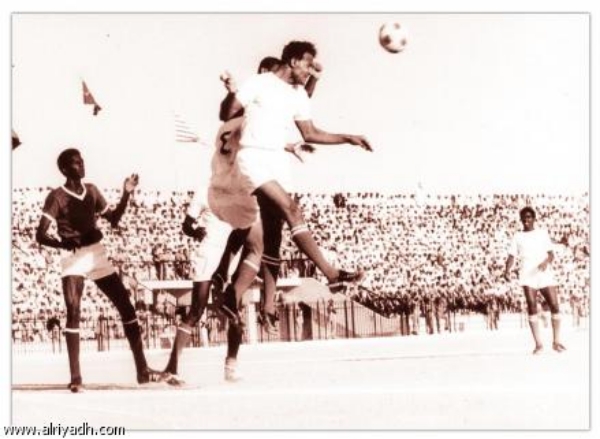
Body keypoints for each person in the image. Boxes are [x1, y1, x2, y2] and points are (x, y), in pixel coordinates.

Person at [220, 40, 372, 309]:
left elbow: (310, 133)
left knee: (272, 239)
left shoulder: (298, 94)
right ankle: (332, 274)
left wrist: (348, 138)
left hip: (277, 161)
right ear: (293, 61)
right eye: (308, 64)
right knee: (292, 210)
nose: (311, 70)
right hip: (253, 156)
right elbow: (227, 113)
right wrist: (235, 93)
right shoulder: (260, 83)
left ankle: (250, 304)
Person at [35, 148, 166, 392]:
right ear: (64, 169)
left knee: (126, 307)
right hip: (73, 257)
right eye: (76, 163)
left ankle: (142, 369)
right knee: (73, 311)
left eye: (82, 161)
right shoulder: (56, 197)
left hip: (96, 253)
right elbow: (40, 235)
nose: (82, 165)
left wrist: (126, 193)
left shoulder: (92, 190)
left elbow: (114, 219)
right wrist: (62, 243)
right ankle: (76, 378)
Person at [214, 55, 319, 336]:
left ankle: (248, 298)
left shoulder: (262, 107)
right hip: (240, 177)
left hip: (239, 176)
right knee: (259, 239)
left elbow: (297, 99)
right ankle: (238, 288)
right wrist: (232, 90)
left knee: (265, 242)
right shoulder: (254, 104)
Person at [504, 206, 566, 354]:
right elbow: (511, 256)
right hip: (527, 273)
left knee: (554, 304)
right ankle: (538, 344)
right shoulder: (517, 236)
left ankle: (556, 342)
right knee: (531, 305)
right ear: (521, 219)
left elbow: (551, 255)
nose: (526, 220)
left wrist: (545, 262)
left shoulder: (542, 233)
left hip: (543, 272)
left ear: (534, 219)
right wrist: (507, 270)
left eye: (529, 217)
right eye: (523, 218)